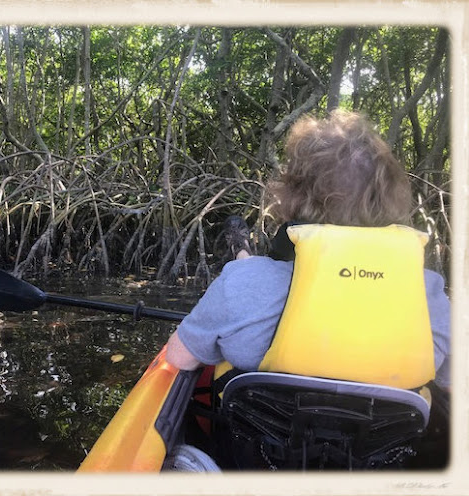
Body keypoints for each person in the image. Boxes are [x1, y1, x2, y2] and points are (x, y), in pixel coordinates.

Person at [165, 110, 451, 392]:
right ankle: (243, 253)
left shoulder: (240, 283)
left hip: (269, 422)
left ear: (293, 195)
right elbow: (452, 384)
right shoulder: (428, 294)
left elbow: (179, 358)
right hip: (385, 425)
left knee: (246, 279)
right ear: (390, 197)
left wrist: (244, 277)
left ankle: (242, 253)